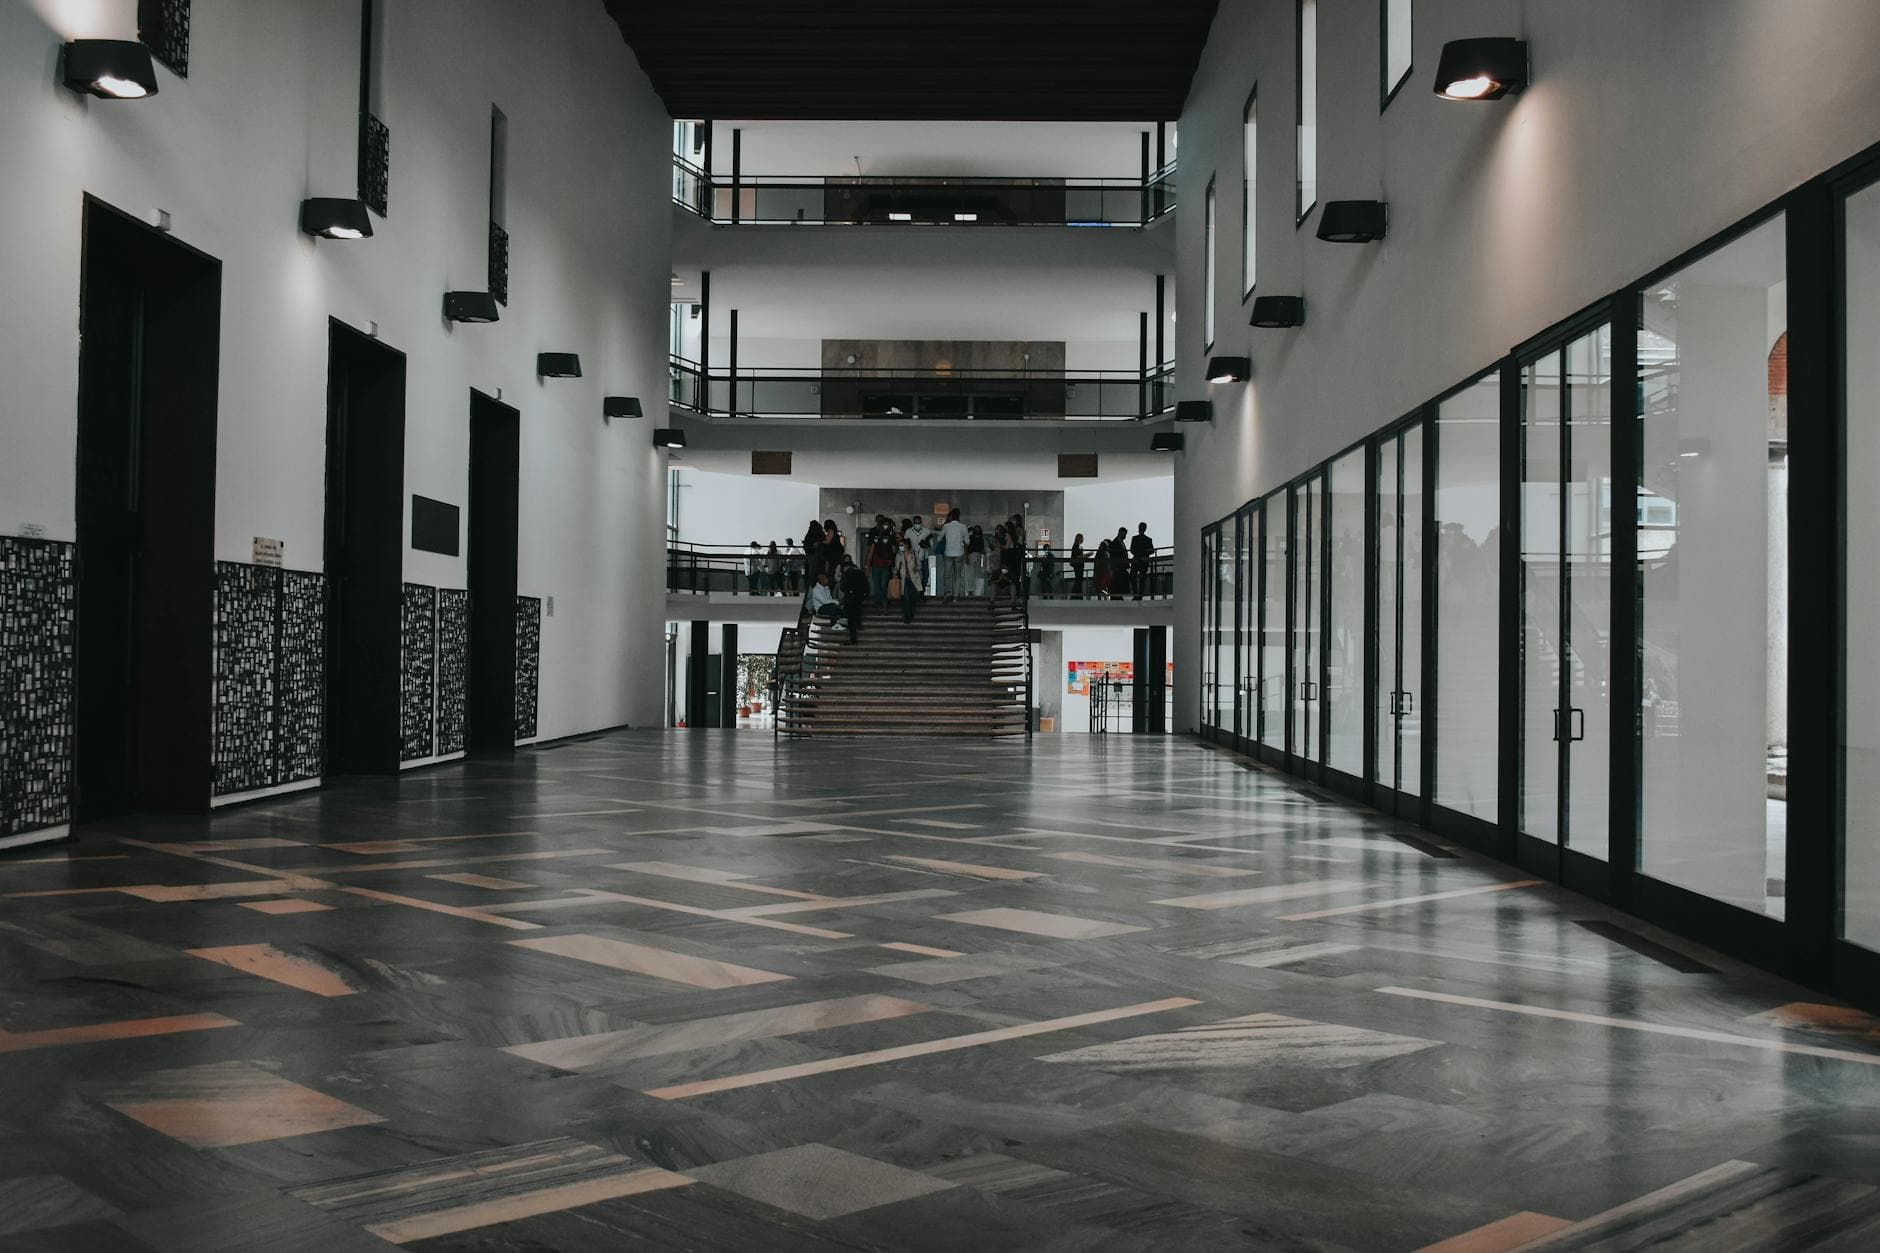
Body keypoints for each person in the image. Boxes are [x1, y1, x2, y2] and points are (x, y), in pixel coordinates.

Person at [937, 508, 969, 601]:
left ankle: (948, 593)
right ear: (959, 516)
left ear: (951, 516)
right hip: (959, 553)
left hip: (948, 553)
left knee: (947, 574)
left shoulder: (946, 526)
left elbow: (939, 538)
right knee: (957, 575)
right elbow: (967, 541)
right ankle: (955, 596)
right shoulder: (963, 526)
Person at [894, 534, 925, 623]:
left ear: (906, 545)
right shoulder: (898, 555)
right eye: (900, 545)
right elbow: (896, 567)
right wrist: (895, 573)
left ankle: (910, 612)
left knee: (914, 596)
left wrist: (917, 568)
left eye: (902, 545)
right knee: (906, 597)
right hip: (904, 579)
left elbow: (919, 565)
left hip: (914, 578)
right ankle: (907, 616)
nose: (900, 547)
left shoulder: (913, 553)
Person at [837, 556, 869, 643]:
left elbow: (842, 587)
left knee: (851, 618)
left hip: (850, 597)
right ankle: (859, 624)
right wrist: (865, 594)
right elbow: (866, 585)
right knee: (858, 610)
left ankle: (853, 638)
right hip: (859, 596)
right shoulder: (860, 573)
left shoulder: (846, 574)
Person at [867, 520, 895, 606]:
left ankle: (883, 601)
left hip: (885, 565)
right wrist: (867, 565)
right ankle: (880, 602)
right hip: (876, 565)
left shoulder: (891, 537)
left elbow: (893, 550)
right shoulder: (876, 538)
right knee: (877, 586)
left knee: (882, 585)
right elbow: (871, 551)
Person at [1130, 523, 1156, 600]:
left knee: (1134, 577)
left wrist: (1138, 553)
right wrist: (1144, 553)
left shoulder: (1134, 538)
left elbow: (1132, 549)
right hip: (1143, 561)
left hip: (1137, 560)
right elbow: (1152, 551)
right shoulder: (1148, 539)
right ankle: (1139, 595)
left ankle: (1136, 594)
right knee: (1141, 578)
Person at [967, 524, 988, 598]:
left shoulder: (981, 539)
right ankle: (971, 589)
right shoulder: (971, 538)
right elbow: (967, 547)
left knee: (976, 573)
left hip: (978, 555)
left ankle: (976, 590)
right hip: (972, 554)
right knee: (971, 572)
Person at [1111, 527, 1132, 598]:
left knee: (1120, 582)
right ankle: (1117, 596)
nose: (1125, 536)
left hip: (1121, 566)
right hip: (1119, 566)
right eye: (1125, 534)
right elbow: (1113, 555)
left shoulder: (1119, 542)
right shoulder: (1116, 543)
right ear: (1121, 532)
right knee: (1119, 582)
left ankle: (1118, 596)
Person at [1069, 533, 1086, 598]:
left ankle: (1076, 595)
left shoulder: (1076, 546)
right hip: (1078, 565)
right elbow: (1076, 556)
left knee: (1078, 580)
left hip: (1078, 565)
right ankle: (1077, 595)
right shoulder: (1076, 546)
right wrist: (1085, 556)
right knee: (1079, 580)